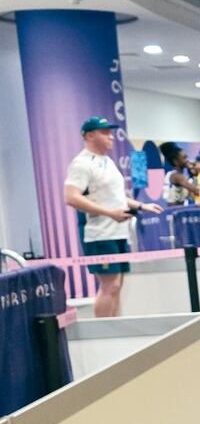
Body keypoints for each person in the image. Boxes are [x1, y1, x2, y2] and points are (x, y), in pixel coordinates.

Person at [63, 116, 163, 317]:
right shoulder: (82, 164)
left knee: (118, 285)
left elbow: (116, 198)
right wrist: (110, 214)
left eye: (110, 132)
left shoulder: (107, 161)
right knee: (110, 285)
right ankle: (102, 333)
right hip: (99, 234)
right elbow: (71, 197)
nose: (111, 137)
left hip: (118, 231)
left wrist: (142, 205)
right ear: (90, 135)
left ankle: (116, 329)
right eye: (105, 133)